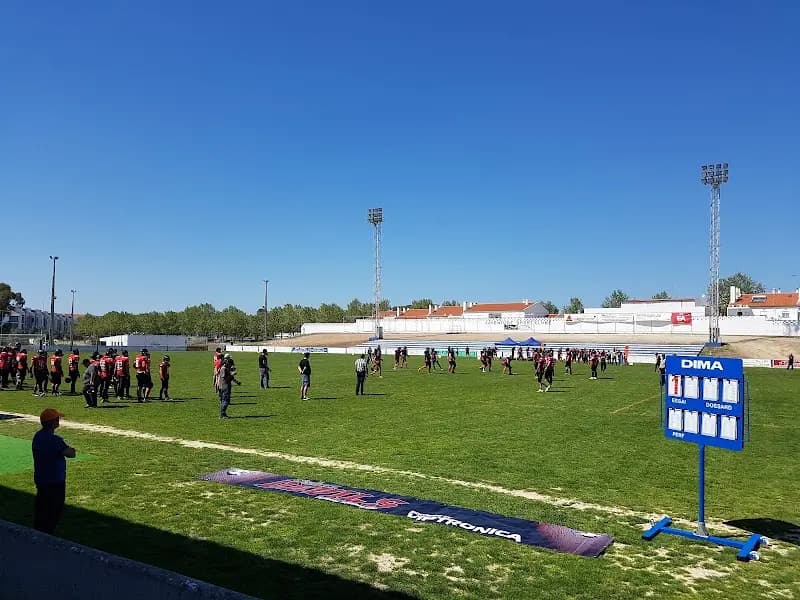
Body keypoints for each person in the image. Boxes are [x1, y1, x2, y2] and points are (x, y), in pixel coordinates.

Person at [32, 408, 76, 534]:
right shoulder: (55, 440)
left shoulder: (38, 436)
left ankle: (38, 533)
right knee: (53, 512)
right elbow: (70, 453)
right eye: (57, 419)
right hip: (55, 481)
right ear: (53, 423)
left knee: (41, 510)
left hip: (41, 479)